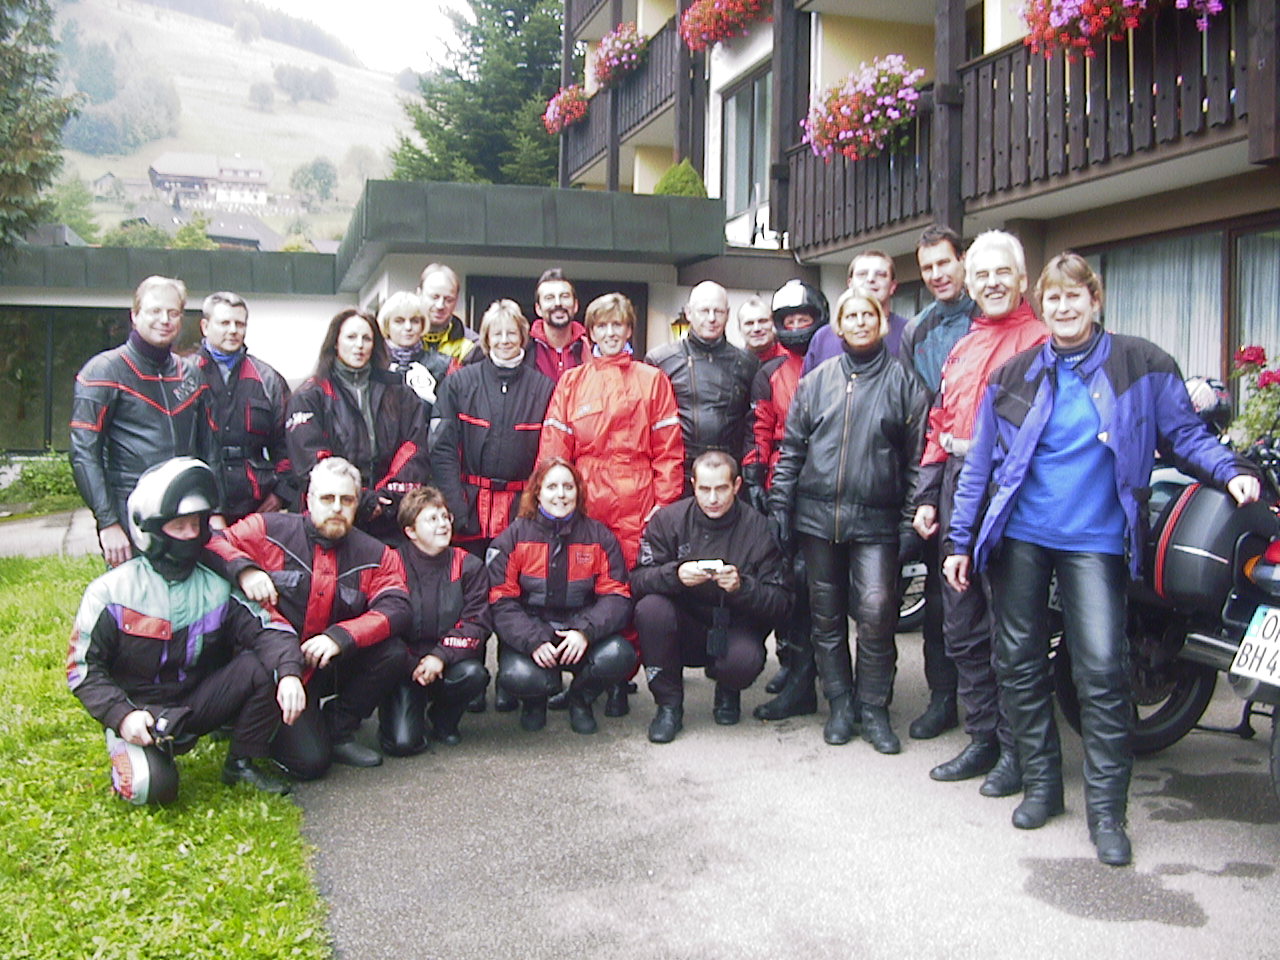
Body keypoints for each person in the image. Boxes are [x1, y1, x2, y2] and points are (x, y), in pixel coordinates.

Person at [943, 252, 1261, 866]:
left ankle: (1108, 813)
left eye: (1075, 296)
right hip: (1022, 537)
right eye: (1053, 298)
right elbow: (981, 465)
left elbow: (1185, 436)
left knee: (1101, 671)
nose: (1064, 307)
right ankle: (1042, 787)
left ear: (1095, 300)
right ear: (1042, 306)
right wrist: (961, 541)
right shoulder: (1013, 375)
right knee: (1019, 663)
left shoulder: (1141, 363)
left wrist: (1231, 471)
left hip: (1096, 540)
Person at [67, 458, 302, 804]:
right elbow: (82, 670)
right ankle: (131, 751)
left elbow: (270, 629)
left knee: (264, 665)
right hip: (140, 711)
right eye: (179, 526)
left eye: (196, 525)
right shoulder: (110, 592)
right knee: (152, 789)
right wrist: (122, 716)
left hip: (197, 701)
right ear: (150, 528)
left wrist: (290, 674)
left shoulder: (218, 586)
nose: (191, 535)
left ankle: (241, 763)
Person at [911, 229, 1048, 796]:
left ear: (1022, 280)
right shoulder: (963, 345)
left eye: (1002, 273)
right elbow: (941, 424)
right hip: (957, 490)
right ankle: (983, 737)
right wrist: (926, 495)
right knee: (962, 624)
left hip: (1015, 498)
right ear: (970, 284)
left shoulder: (1043, 342)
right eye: (982, 275)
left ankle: (1018, 752)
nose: (992, 283)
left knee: (1010, 633)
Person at [771, 289, 928, 753]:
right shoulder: (816, 381)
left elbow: (917, 461)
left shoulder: (905, 383)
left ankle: (873, 707)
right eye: (851, 315)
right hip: (817, 519)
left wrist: (909, 523)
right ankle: (839, 704)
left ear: (881, 323)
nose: (860, 322)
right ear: (837, 326)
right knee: (826, 616)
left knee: (877, 612)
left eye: (868, 314)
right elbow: (792, 449)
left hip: (877, 520)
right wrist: (781, 506)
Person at [206, 456, 411, 775]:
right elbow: (213, 542)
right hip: (274, 665)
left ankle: (338, 728)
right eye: (327, 498)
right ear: (308, 500)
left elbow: (396, 605)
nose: (337, 508)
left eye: (347, 500)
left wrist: (341, 636)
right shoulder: (267, 529)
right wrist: (245, 570)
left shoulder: (377, 554)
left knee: (393, 652)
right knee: (310, 764)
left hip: (324, 664)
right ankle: (248, 721)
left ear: (357, 504)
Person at [540, 292, 684, 716]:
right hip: (585, 498)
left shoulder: (652, 380)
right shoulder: (572, 382)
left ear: (629, 329)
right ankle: (589, 676)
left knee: (629, 589)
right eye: (601, 325)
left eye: (617, 324)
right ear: (590, 331)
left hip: (637, 498)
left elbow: (669, 449)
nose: (610, 333)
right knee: (585, 588)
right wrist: (554, 499)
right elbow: (554, 449)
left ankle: (621, 678)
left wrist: (664, 503)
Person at [632, 451, 791, 742]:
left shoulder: (759, 528)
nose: (713, 498)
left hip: (735, 625)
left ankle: (728, 690)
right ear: (693, 485)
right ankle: (668, 705)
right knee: (650, 609)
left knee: (743, 661)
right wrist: (675, 575)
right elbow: (637, 581)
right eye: (705, 489)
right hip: (685, 624)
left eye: (721, 489)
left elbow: (781, 602)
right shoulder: (669, 520)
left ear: (737, 485)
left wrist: (742, 587)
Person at [894, 226, 981, 741]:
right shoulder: (917, 331)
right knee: (940, 599)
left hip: (992, 476)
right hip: (939, 476)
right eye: (928, 268)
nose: (937, 275)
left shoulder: (988, 315)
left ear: (963, 260)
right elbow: (916, 414)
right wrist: (920, 491)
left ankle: (993, 709)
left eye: (944, 263)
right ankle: (943, 698)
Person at [70, 276, 222, 566]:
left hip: (189, 511)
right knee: (137, 594)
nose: (164, 320)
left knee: (196, 591)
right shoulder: (103, 372)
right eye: (155, 311)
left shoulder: (192, 375)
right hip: (132, 512)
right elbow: (83, 453)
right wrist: (107, 522)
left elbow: (210, 450)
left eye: (173, 312)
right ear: (135, 314)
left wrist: (216, 511)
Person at [487, 457, 637, 735]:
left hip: (579, 631)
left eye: (568, 487)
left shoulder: (599, 537)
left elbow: (617, 596)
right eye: (552, 487)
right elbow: (500, 601)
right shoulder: (513, 538)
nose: (561, 494)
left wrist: (584, 631)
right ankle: (535, 701)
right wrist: (533, 639)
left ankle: (580, 699)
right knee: (519, 676)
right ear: (537, 492)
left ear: (578, 491)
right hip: (534, 631)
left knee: (619, 655)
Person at [742, 280, 827, 721]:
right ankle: (794, 668)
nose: (796, 327)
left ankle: (829, 675)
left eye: (803, 319)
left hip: (831, 486)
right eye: (788, 320)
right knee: (789, 581)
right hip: (784, 488)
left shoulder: (838, 361)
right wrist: (755, 477)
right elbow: (758, 428)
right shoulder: (770, 372)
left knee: (825, 588)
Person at [285, 308, 431, 539]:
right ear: (335, 342)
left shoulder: (399, 391)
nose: (359, 345)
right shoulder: (310, 395)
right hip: (333, 516)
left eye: (366, 338)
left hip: (389, 518)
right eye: (351, 337)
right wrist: (358, 497)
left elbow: (414, 447)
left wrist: (386, 497)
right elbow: (310, 459)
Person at [431, 299, 554, 554]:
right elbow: (442, 449)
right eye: (497, 334)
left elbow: (549, 456)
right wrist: (455, 505)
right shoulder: (458, 383)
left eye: (512, 333)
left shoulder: (545, 389)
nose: (505, 340)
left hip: (522, 514)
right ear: (486, 338)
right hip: (468, 512)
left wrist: (534, 509)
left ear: (522, 336)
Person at [378, 487, 490, 754]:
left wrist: (440, 656)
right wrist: (411, 664)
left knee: (474, 675)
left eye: (445, 516)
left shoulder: (469, 566)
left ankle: (443, 719)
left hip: (448, 661)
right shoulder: (391, 564)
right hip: (405, 665)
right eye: (432, 519)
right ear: (411, 531)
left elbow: (477, 623)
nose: (443, 524)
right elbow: (382, 623)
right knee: (403, 744)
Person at [195, 291, 295, 523]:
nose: (233, 330)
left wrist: (280, 494)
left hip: (257, 505)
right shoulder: (186, 375)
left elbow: (287, 444)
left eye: (239, 324)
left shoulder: (268, 379)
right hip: (199, 502)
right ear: (205, 327)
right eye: (224, 323)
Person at [646, 281, 759, 482]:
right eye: (704, 311)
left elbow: (755, 425)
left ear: (728, 314)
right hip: (678, 472)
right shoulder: (660, 361)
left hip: (729, 473)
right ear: (689, 313)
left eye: (718, 311)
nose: (712, 318)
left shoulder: (748, 363)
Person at [802, 250, 911, 374]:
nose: (870, 279)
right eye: (862, 274)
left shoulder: (909, 333)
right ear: (850, 283)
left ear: (892, 286)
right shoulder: (823, 338)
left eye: (880, 274)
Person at [379, 291, 446, 416]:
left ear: (423, 325)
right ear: (387, 325)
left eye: (414, 321)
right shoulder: (376, 364)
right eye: (399, 321)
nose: (408, 327)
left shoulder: (442, 365)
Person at [530, 268, 590, 381]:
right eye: (549, 298)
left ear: (575, 305)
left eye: (565, 296)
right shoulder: (526, 349)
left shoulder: (591, 348)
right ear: (538, 309)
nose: (558, 303)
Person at [417, 262, 480, 367]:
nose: (440, 305)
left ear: (456, 301)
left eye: (449, 300)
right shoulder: (399, 337)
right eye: (435, 297)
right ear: (419, 294)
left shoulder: (473, 345)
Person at [736, 295, 783, 363]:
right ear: (740, 329)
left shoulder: (791, 359)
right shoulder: (733, 363)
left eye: (762, 321)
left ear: (773, 323)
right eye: (749, 323)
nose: (757, 328)